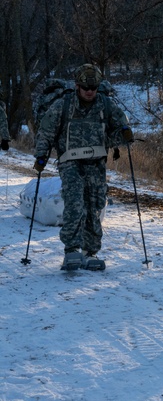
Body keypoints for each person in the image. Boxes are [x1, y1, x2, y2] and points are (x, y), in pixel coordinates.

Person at [33, 64, 132, 270]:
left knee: (95, 205)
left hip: (96, 163)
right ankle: (72, 249)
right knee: (75, 201)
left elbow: (119, 128)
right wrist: (41, 156)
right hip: (71, 162)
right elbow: (46, 131)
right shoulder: (64, 105)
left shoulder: (105, 105)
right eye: (86, 87)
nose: (90, 91)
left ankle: (91, 250)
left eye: (93, 87)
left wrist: (125, 134)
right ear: (78, 85)